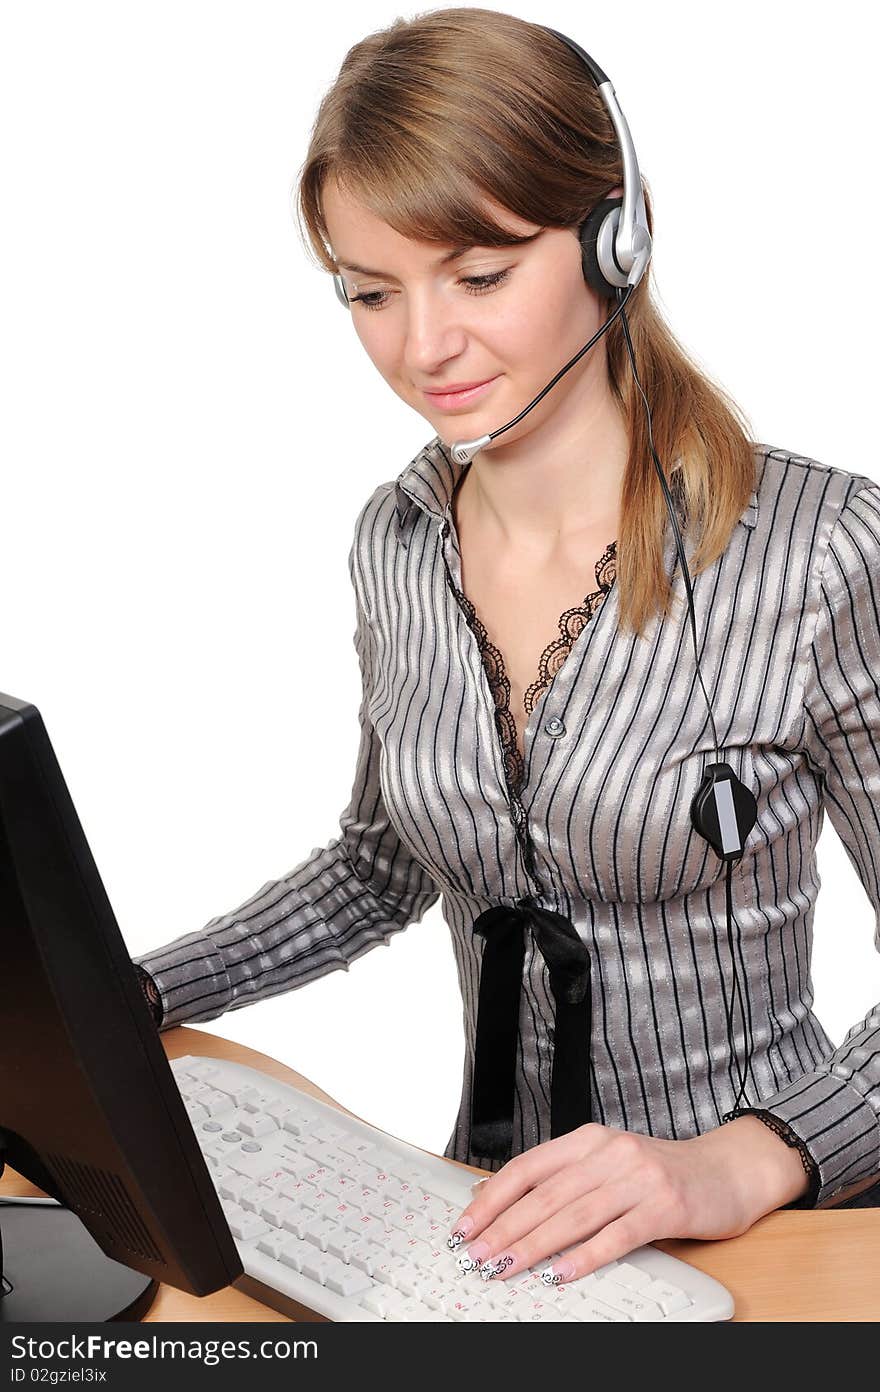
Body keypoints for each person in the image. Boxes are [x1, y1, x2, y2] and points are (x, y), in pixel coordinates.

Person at [132, 9, 880, 1288]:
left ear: (614, 240)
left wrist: (736, 1159)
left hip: (775, 1227)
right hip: (490, 1232)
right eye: (370, 292)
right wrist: (112, 996)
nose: (421, 349)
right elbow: (378, 873)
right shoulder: (397, 543)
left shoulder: (820, 552)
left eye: (478, 277)